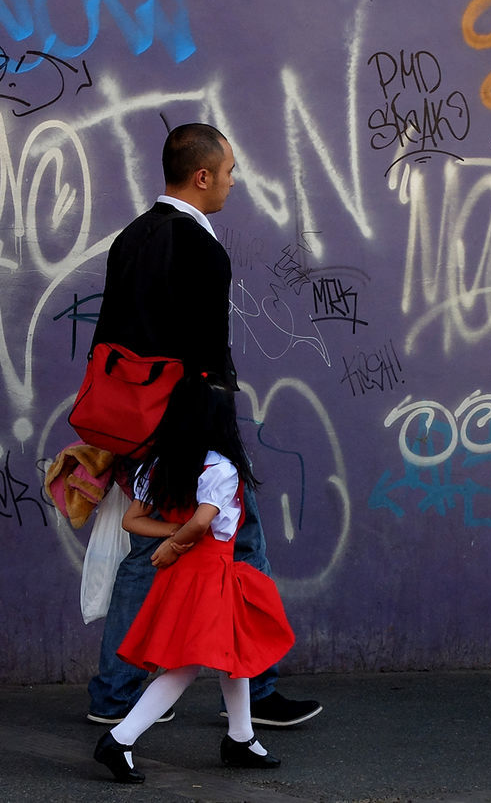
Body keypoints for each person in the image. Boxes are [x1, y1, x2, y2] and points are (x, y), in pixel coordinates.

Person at [86, 123, 320, 728]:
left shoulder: (131, 238)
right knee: (243, 548)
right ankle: (256, 692)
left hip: (135, 419)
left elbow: (111, 339)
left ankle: (115, 696)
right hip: (192, 426)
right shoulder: (201, 247)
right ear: (202, 175)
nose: (234, 182)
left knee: (147, 550)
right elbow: (207, 358)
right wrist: (220, 447)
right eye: (230, 171)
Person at [93, 375, 293, 783]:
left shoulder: (160, 463)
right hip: (210, 574)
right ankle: (120, 738)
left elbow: (134, 520)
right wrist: (178, 541)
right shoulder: (222, 466)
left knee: (232, 654)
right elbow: (202, 523)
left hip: (189, 575)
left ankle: (242, 737)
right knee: (185, 665)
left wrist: (170, 537)